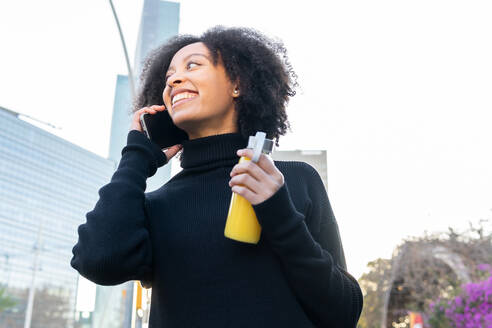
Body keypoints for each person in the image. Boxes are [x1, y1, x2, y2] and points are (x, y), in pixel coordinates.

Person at [70, 26, 363, 327]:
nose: (174, 79)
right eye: (169, 74)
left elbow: (344, 313)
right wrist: (137, 157)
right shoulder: (153, 205)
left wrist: (280, 214)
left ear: (237, 83)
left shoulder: (296, 180)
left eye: (192, 65)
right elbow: (97, 262)